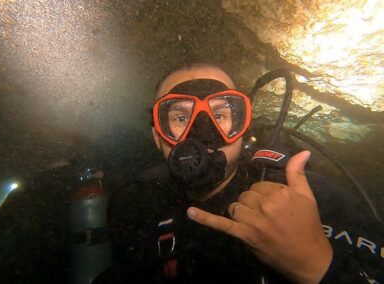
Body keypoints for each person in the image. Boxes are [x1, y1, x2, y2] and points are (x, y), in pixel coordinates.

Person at [98, 63, 383, 283]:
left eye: (220, 115)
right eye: (181, 117)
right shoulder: (137, 209)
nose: (202, 133)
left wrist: (318, 266)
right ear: (157, 136)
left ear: (243, 127)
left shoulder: (305, 199)